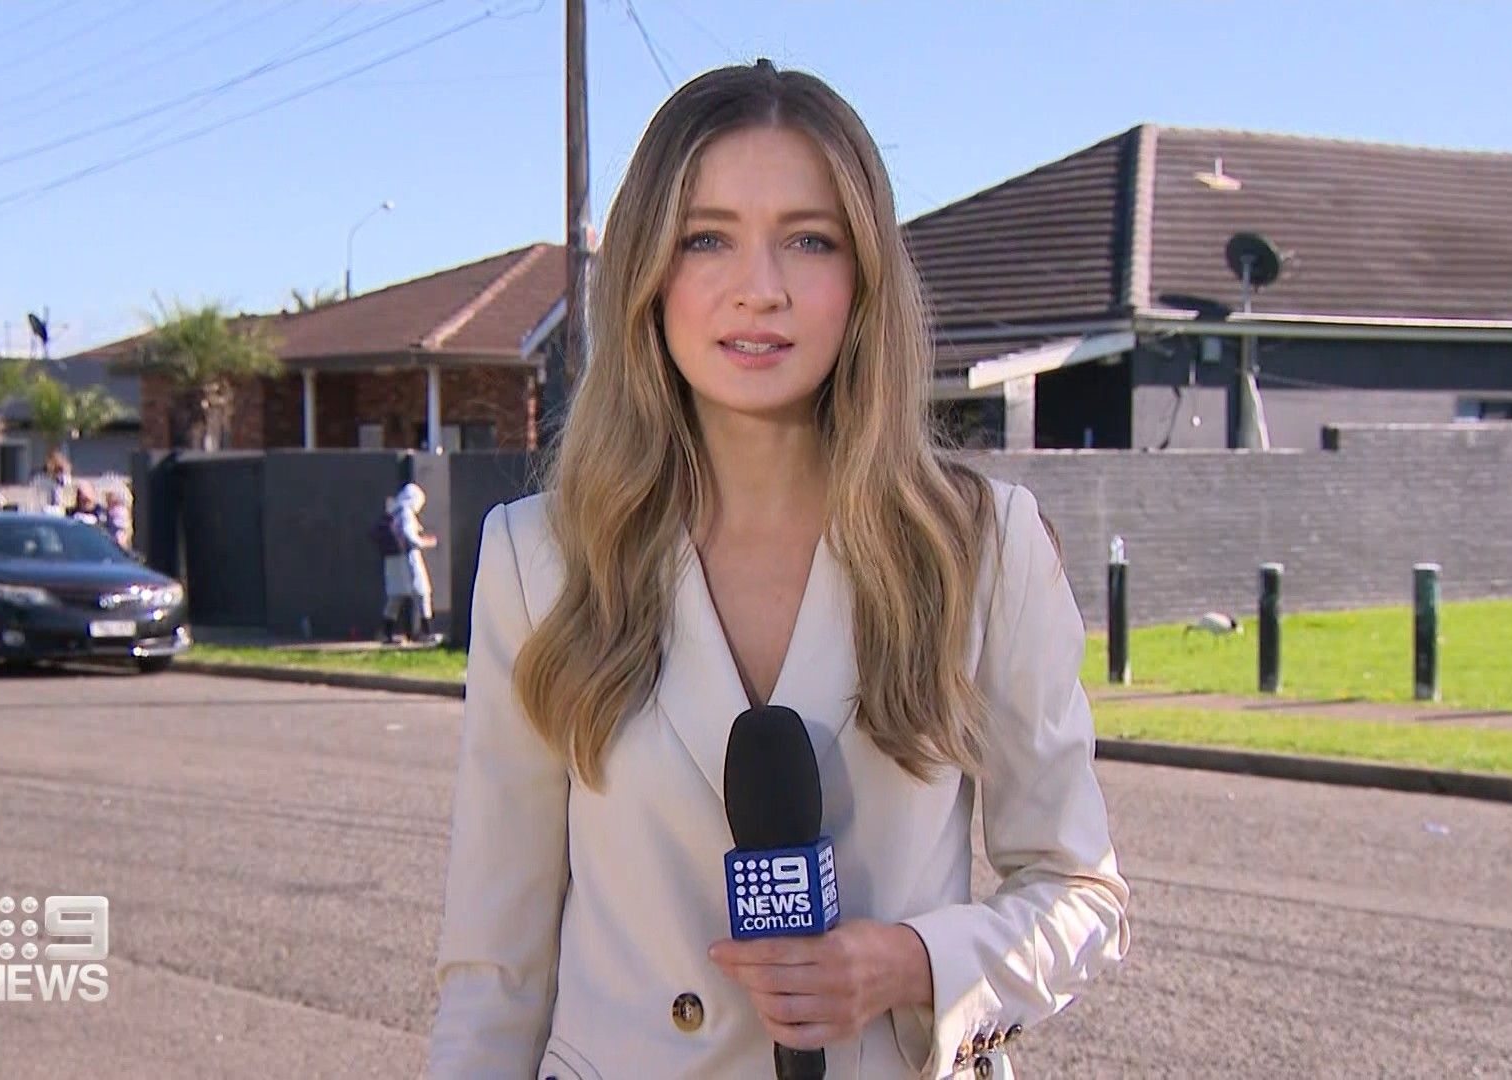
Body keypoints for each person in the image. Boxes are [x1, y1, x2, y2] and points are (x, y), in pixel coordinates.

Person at [428, 61, 1129, 1079]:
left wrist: (911, 964)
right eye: (706, 238)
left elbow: (1079, 891)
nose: (760, 287)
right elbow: (495, 965)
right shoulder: (539, 561)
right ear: (646, 272)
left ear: (865, 277)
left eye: (810, 239)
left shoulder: (980, 546)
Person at [381, 483, 440, 644]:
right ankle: (427, 631)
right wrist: (425, 542)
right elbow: (410, 536)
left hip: (395, 559)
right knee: (423, 593)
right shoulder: (406, 513)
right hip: (409, 558)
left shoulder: (395, 512)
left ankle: (387, 633)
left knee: (396, 596)